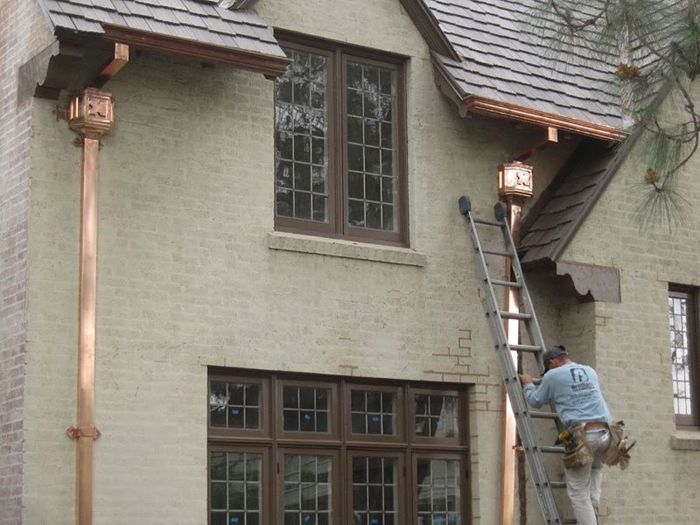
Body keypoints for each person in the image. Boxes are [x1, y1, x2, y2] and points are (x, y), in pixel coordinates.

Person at [519, 345, 612, 525]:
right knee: (595, 472)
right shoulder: (589, 371)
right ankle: (592, 517)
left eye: (548, 367)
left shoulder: (552, 375)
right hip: (606, 434)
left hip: (584, 436)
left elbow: (536, 401)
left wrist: (528, 384)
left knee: (578, 493)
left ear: (552, 362)